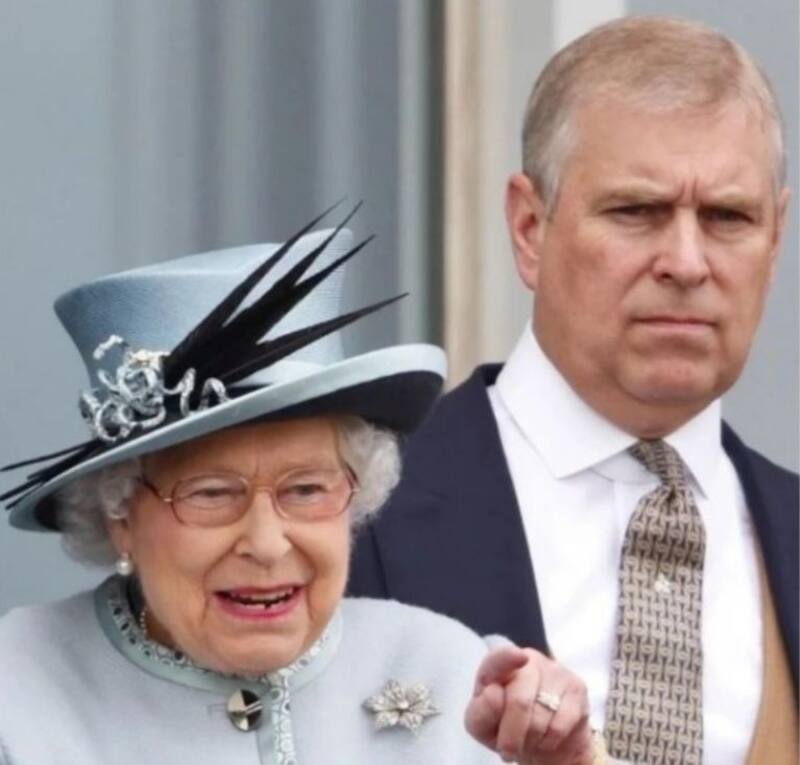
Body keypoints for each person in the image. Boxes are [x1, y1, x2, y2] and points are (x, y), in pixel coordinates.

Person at [349, 16, 798, 765]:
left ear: (775, 240)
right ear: (530, 227)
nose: (687, 262)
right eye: (636, 211)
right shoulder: (350, 517)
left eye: (728, 217)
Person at [0, 211, 600, 764]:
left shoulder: (448, 666)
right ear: (120, 515)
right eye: (212, 493)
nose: (267, 544)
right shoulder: (19, 688)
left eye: (307, 490)